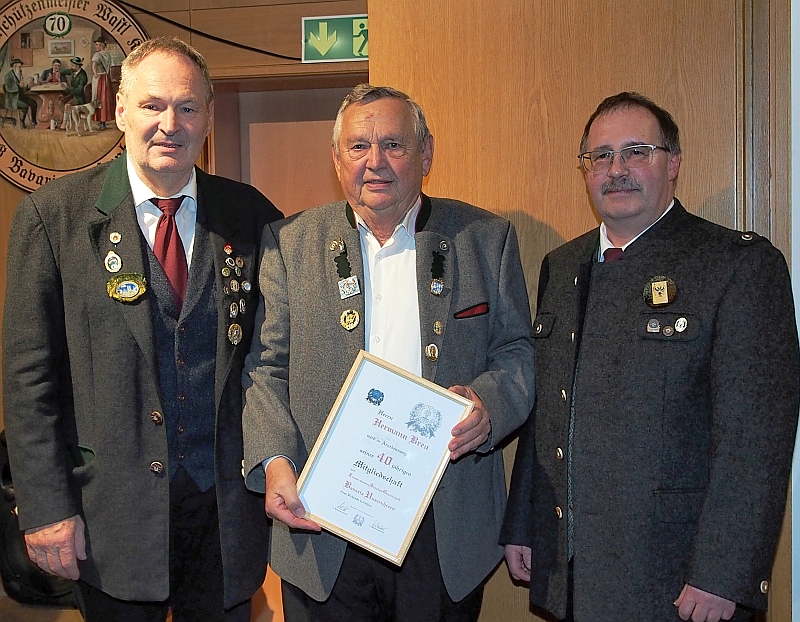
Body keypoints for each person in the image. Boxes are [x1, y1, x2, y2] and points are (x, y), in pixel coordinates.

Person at [3, 36, 282, 621]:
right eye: (153, 105)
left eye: (187, 107)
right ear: (120, 110)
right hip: (109, 516)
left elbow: (278, 356)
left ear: (208, 116)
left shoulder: (252, 216)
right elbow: (29, 381)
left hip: (225, 514)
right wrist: (46, 507)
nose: (169, 124)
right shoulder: (54, 218)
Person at [500, 92, 800, 622]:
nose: (616, 169)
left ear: (673, 162)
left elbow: (755, 439)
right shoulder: (562, 266)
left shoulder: (737, 264)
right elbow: (548, 408)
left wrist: (723, 573)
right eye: (601, 156)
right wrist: (525, 523)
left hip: (678, 576)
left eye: (637, 151)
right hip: (574, 568)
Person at [242, 84, 535, 622]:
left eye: (394, 145)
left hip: (442, 525)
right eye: (358, 146)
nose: (374, 161)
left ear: (427, 154)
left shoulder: (484, 240)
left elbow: (518, 351)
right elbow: (266, 368)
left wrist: (490, 406)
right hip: (323, 519)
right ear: (337, 159)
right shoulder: (289, 243)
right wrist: (276, 460)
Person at [3, 57, 37, 128]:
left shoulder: (19, 74)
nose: (20, 68)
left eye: (21, 66)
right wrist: (19, 86)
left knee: (34, 103)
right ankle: (22, 122)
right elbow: (9, 88)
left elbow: (22, 89)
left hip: (20, 96)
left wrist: (28, 86)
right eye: (19, 67)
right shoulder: (8, 76)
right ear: (14, 66)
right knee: (25, 105)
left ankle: (33, 121)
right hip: (12, 99)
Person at [91, 36, 114, 129]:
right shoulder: (107, 55)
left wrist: (95, 74)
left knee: (100, 98)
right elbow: (110, 68)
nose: (96, 46)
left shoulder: (98, 55)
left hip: (100, 78)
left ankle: (101, 120)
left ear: (101, 45)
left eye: (97, 45)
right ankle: (103, 121)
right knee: (105, 99)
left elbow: (94, 65)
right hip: (106, 78)